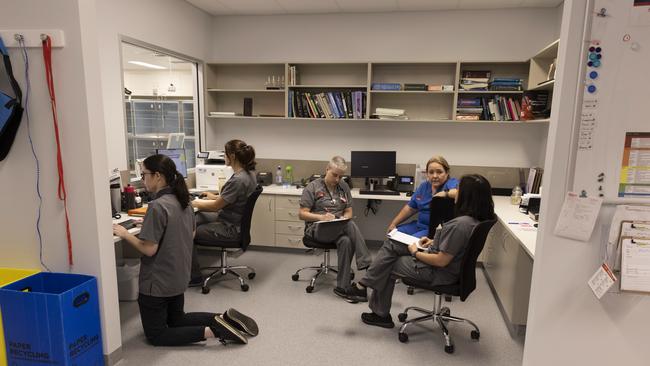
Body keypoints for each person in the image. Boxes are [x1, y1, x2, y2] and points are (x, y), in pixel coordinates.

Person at [113, 154, 259, 346]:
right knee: (177, 320)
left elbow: (149, 250)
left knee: (157, 335)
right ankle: (223, 318)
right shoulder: (185, 202)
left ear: (158, 176)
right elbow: (189, 235)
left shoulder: (157, 207)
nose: (143, 179)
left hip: (156, 285)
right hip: (179, 279)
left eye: (144, 175)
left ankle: (214, 331)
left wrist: (124, 233)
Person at [341, 174, 495, 328]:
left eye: (458, 189)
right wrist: (433, 241)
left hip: (440, 272)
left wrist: (415, 252)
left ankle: (377, 310)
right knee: (392, 244)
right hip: (452, 266)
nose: (455, 192)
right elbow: (458, 246)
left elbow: (441, 261)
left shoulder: (459, 225)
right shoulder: (475, 220)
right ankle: (363, 287)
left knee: (388, 263)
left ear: (467, 197)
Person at [299, 156, 372, 302]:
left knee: (346, 240)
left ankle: (342, 287)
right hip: (317, 228)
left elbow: (349, 212)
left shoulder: (344, 187)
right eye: (334, 175)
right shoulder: (312, 187)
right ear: (327, 169)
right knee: (349, 224)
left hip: (339, 227)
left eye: (341, 176)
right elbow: (302, 214)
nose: (337, 179)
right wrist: (321, 218)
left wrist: (341, 218)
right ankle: (367, 264)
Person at [190, 139, 258, 285]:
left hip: (230, 228)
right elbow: (231, 198)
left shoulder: (238, 179)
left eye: (225, 154)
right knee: (196, 218)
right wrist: (214, 196)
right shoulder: (248, 174)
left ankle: (193, 277)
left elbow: (216, 207)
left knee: (187, 230)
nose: (224, 157)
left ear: (232, 156)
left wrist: (195, 203)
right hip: (235, 222)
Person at [388, 155, 459, 238]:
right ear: (427, 174)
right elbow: (410, 208)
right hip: (419, 226)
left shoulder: (451, 183)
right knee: (393, 234)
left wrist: (444, 194)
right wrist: (393, 223)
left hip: (435, 229)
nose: (435, 176)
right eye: (431, 172)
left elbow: (460, 193)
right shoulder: (423, 187)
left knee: (411, 242)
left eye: (439, 172)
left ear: (447, 173)